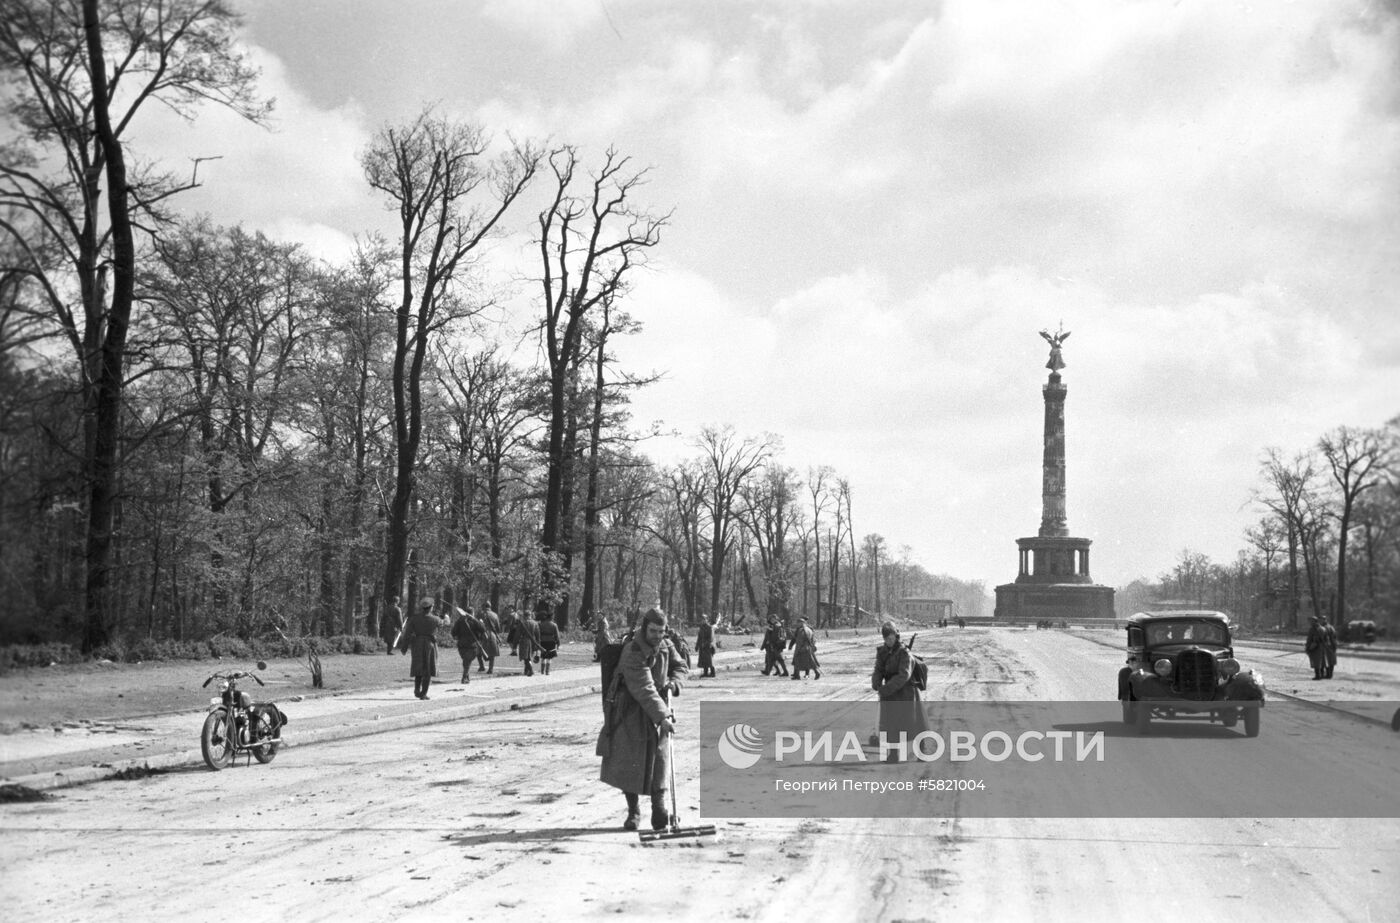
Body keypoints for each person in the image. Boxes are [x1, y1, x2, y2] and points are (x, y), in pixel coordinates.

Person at [596, 607, 689, 831]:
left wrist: (675, 683)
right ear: (644, 628)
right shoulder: (633, 651)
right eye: (653, 631)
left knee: (660, 759)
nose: (658, 635)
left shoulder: (666, 645)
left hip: (657, 710)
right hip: (630, 710)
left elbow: (681, 666)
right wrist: (663, 716)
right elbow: (644, 688)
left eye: (661, 631)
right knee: (630, 763)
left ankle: (659, 807)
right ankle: (633, 811)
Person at [872, 622, 928, 761]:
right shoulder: (882, 652)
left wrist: (886, 689)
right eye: (886, 639)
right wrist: (876, 683)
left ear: (896, 637)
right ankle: (893, 754)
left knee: (913, 723)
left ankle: (922, 752)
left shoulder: (904, 653)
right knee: (891, 724)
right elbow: (878, 669)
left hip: (906, 692)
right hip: (890, 693)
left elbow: (904, 675)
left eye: (890, 639)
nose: (888, 642)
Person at [406, 598, 446, 699]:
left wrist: (405, 646)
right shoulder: (435, 619)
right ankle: (423, 693)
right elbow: (444, 624)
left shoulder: (414, 618)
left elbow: (408, 632)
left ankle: (416, 689)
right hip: (430, 645)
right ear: (431, 607)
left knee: (418, 668)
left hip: (417, 644)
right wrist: (446, 618)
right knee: (428, 669)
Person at [450, 606, 484, 684]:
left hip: (461, 644)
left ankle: (466, 676)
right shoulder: (474, 621)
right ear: (472, 613)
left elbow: (453, 632)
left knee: (466, 661)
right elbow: (483, 629)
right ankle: (464, 676)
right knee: (467, 661)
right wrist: (476, 620)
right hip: (472, 645)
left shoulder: (460, 621)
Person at [788, 616, 821, 680]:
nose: (797, 624)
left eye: (798, 623)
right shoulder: (809, 629)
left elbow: (800, 641)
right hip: (808, 648)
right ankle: (816, 673)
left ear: (801, 623)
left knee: (797, 661)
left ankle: (798, 676)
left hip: (802, 649)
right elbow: (813, 639)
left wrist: (798, 649)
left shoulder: (801, 630)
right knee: (810, 662)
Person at [516, 606, 541, 676]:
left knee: (526, 657)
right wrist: (538, 644)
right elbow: (538, 635)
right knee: (529, 657)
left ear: (524, 615)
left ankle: (530, 669)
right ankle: (526, 671)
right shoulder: (535, 623)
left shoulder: (522, 623)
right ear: (530, 615)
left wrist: (515, 644)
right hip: (533, 641)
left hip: (524, 641)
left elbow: (517, 634)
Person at [478, 606, 502, 674]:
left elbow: (477, 624)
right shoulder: (495, 615)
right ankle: (490, 669)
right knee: (492, 653)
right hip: (492, 634)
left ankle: (482, 666)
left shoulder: (481, 614)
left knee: (479, 651)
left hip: (483, 634)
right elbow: (498, 627)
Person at [538, 610, 560, 676]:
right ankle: (547, 671)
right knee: (549, 657)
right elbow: (557, 635)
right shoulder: (554, 625)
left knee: (543, 656)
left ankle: (542, 671)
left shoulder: (541, 624)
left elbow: (538, 634)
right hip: (551, 641)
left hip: (542, 641)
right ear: (551, 617)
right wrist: (558, 643)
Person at [1305, 616, 1327, 680]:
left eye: (1311, 621)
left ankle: (1318, 676)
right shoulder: (1323, 628)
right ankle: (1321, 675)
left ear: (1314, 621)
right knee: (1321, 661)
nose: (1310, 622)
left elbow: (1313, 639)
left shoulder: (1314, 629)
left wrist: (1309, 648)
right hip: (1322, 647)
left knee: (1316, 662)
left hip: (1315, 647)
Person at [696, 613, 717, 678]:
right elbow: (699, 637)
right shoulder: (701, 628)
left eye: (704, 619)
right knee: (703, 660)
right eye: (701, 620)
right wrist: (697, 645)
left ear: (706, 620)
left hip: (709, 646)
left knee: (709, 660)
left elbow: (711, 638)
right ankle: (705, 673)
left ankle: (713, 672)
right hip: (702, 646)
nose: (702, 621)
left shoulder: (710, 628)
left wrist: (705, 644)